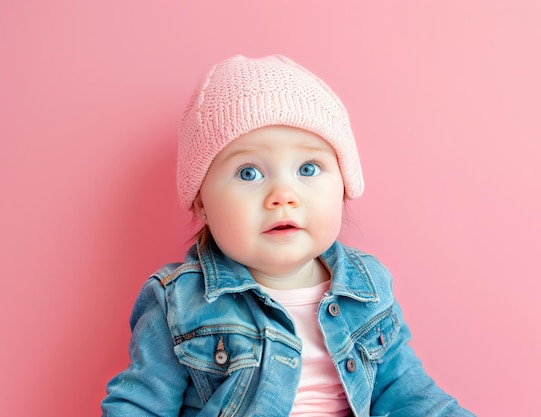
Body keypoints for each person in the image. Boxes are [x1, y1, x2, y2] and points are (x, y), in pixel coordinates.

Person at [101, 55, 475, 416]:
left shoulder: (368, 288)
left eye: (308, 169)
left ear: (344, 184)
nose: (283, 195)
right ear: (202, 203)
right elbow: (139, 406)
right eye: (249, 173)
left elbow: (407, 391)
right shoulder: (180, 303)